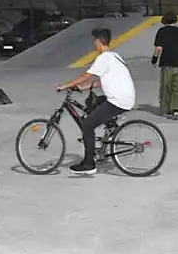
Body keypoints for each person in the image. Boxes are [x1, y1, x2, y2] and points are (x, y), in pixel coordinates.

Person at [56, 27, 136, 176]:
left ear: (99, 42)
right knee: (94, 104)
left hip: (118, 101)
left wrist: (66, 86)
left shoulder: (104, 57)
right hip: (125, 98)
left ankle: (89, 164)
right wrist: (84, 88)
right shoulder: (114, 55)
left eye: (95, 42)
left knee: (87, 125)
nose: (94, 44)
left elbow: (87, 75)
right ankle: (110, 129)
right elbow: (103, 80)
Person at [152, 13, 178, 120]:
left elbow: (158, 49)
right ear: (175, 21)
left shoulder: (161, 31)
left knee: (166, 86)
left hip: (167, 63)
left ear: (164, 21)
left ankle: (166, 109)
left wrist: (154, 60)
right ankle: (177, 110)